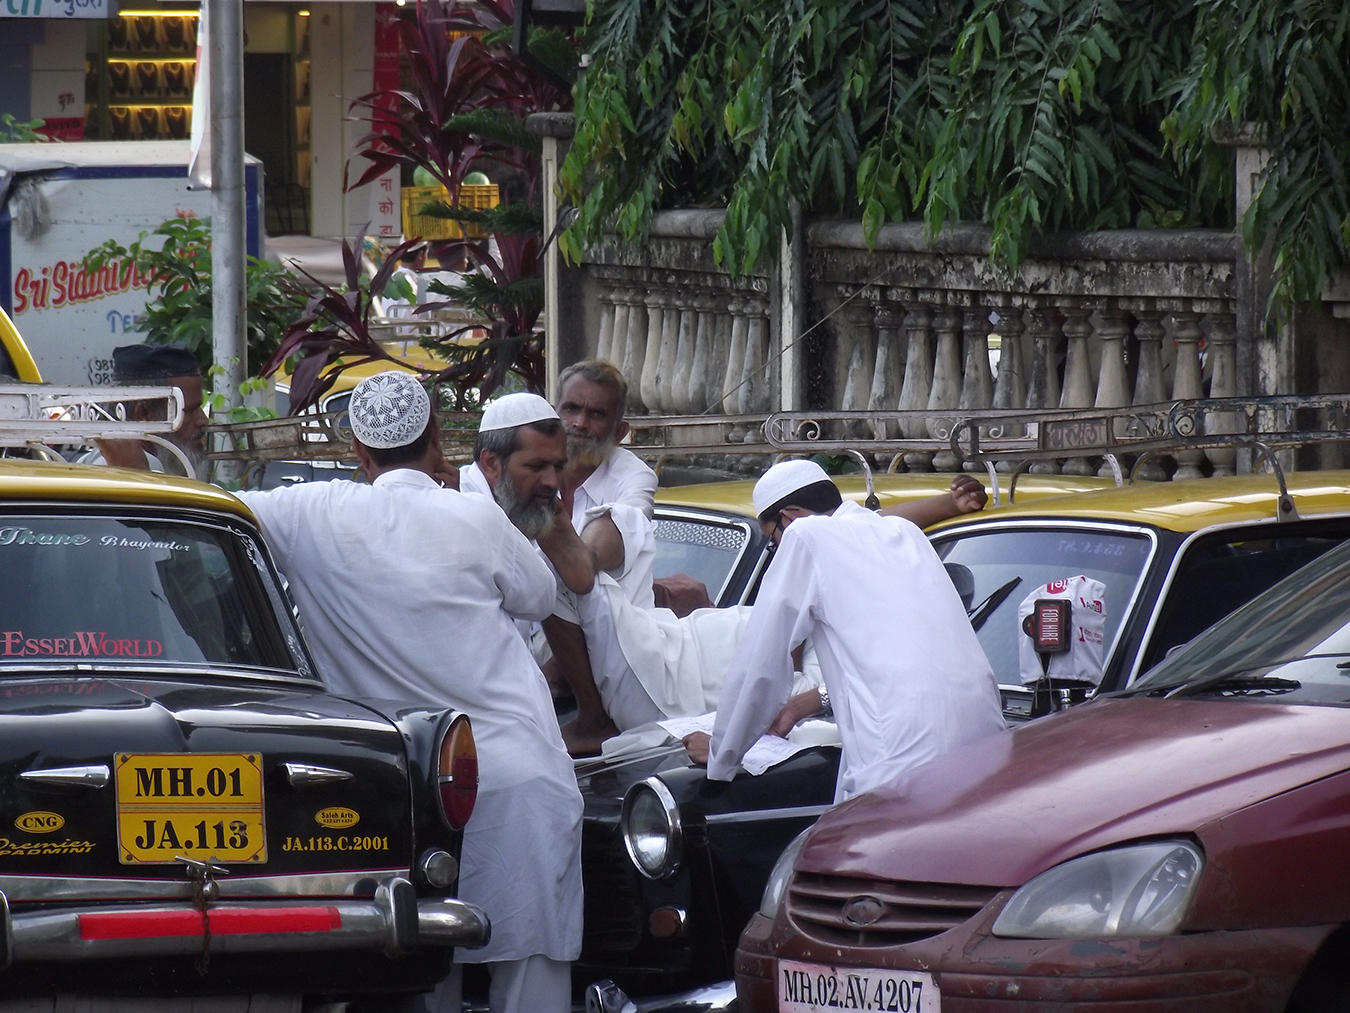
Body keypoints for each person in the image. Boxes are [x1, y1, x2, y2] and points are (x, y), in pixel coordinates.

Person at [113, 372, 583, 1013]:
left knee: (425, 965)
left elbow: (194, 509)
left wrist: (128, 453)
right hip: (515, 778)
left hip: (412, 787)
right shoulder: (473, 516)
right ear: (436, 436)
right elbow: (538, 595)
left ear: (358, 450)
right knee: (531, 967)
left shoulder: (309, 513)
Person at [699, 459, 1006, 802]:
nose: (777, 550)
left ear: (789, 517)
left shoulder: (804, 535)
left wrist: (720, 756)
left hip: (904, 759)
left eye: (772, 540)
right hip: (987, 741)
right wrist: (802, 706)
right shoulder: (903, 532)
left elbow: (760, 665)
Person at [77, 343, 209, 478]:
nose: (203, 420)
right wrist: (137, 471)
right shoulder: (117, 469)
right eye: (190, 410)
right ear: (143, 414)